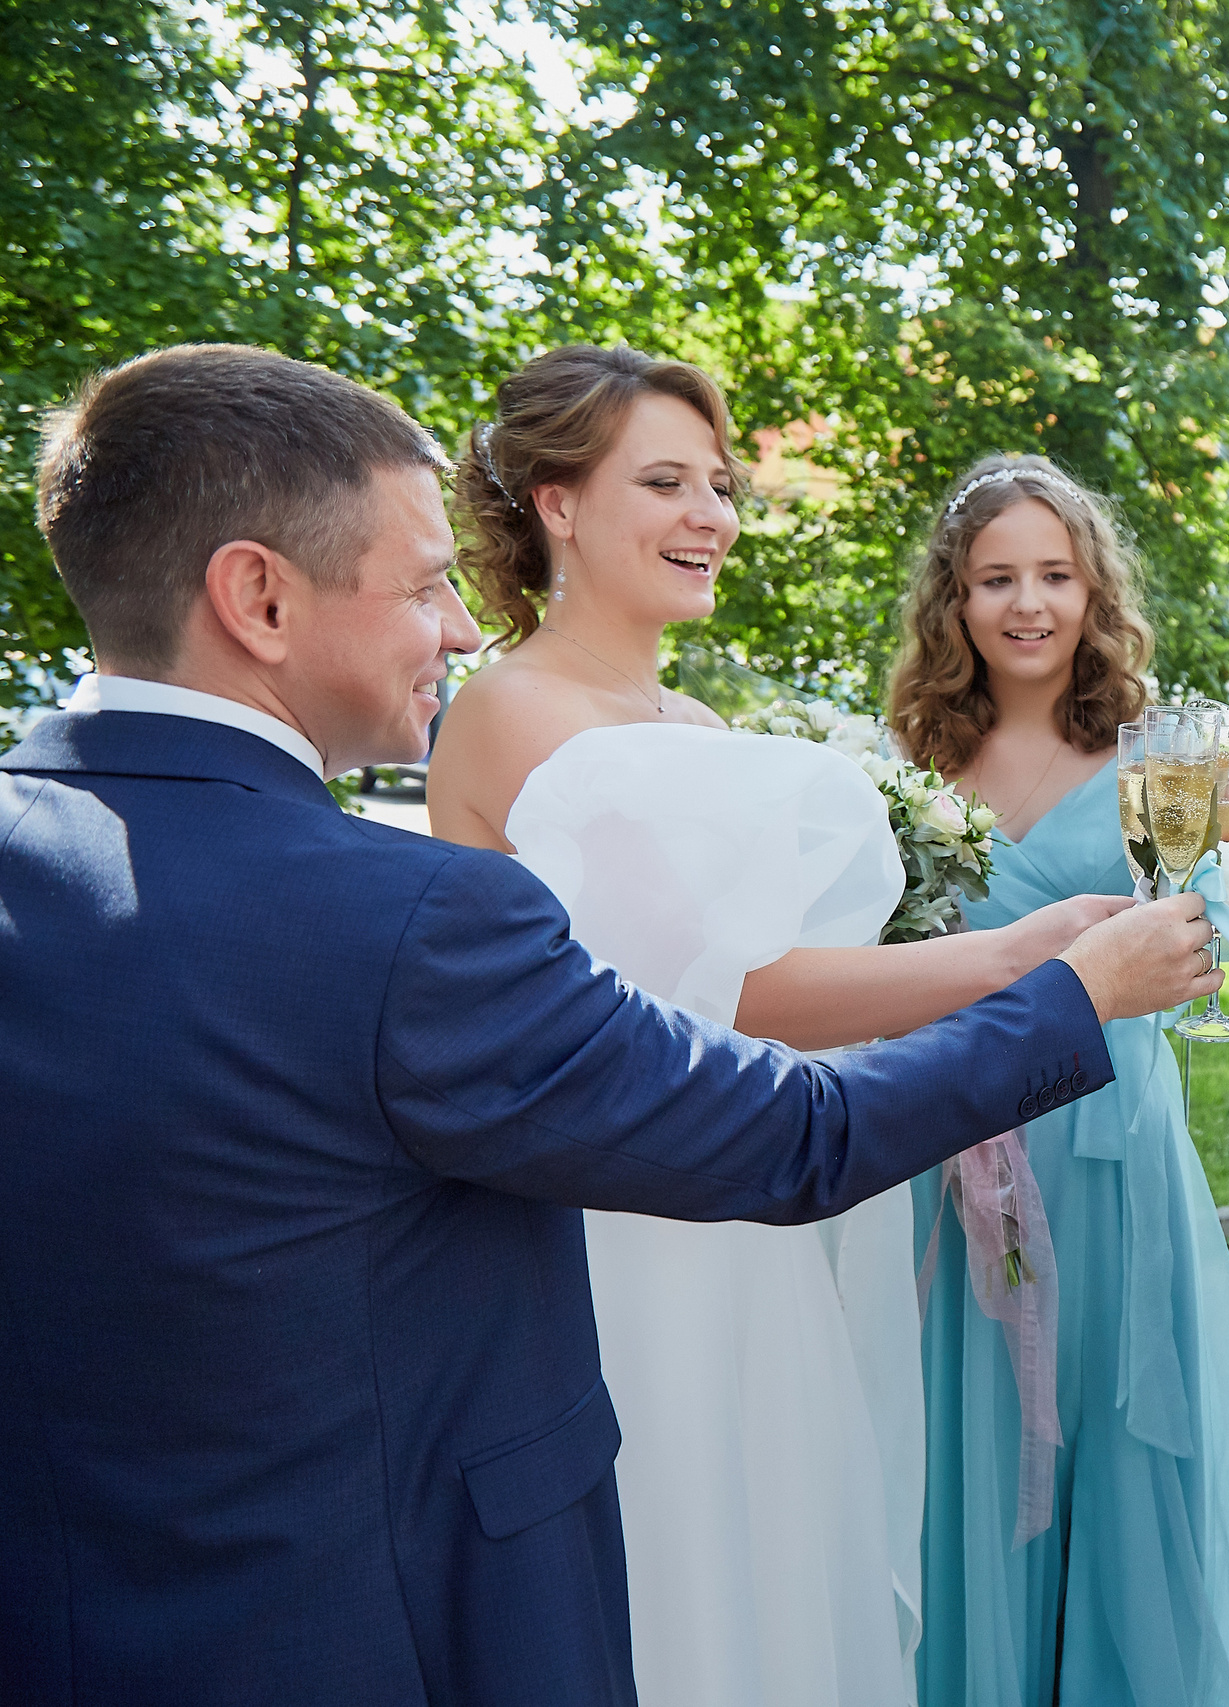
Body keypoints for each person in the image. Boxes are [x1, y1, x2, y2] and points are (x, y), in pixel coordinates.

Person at [0, 344, 1217, 1706]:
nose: (455, 629)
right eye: (420, 586)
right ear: (258, 593)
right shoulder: (427, 871)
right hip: (632, 1247)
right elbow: (757, 1067)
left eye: (720, 481)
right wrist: (1058, 988)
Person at [425, 346, 1137, 1707]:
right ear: (556, 502)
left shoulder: (683, 714)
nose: (713, 514)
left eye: (721, 483)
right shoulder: (513, 710)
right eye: (666, 481)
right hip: (633, 1227)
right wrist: (1028, 961)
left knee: (782, 1542)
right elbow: (728, 994)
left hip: (757, 1214)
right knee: (686, 1554)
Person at [889, 454, 1229, 1707]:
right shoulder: (913, 754)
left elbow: (1210, 929)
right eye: (994, 577)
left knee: (1113, 1430)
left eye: (1054, 575)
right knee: (979, 1426)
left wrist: (1199, 928)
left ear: (1091, 590)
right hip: (957, 1135)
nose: (1027, 604)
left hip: (1106, 1134)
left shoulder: (1151, 749)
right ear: (952, 602)